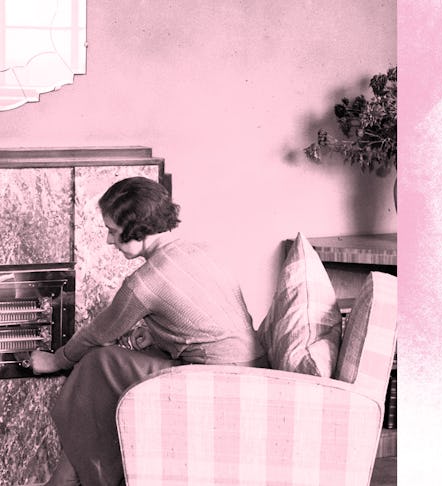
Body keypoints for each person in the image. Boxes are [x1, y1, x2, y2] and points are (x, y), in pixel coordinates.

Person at [30, 177, 267, 486]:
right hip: (255, 370)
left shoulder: (144, 283)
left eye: (113, 232)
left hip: (218, 382)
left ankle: (79, 477)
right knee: (112, 370)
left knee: (98, 364)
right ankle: (73, 474)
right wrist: (157, 335)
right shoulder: (204, 251)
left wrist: (55, 360)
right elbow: (218, 323)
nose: (108, 242)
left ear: (136, 230)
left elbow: (97, 334)